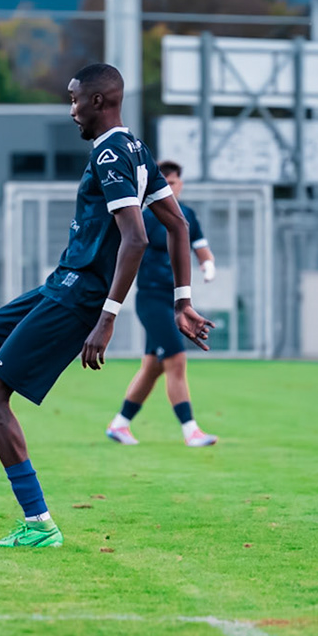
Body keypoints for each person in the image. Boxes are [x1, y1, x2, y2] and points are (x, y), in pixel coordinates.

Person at [0, 63, 212, 547]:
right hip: (60, 284)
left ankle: (39, 524)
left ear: (97, 101)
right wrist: (183, 301)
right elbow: (178, 225)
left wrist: (108, 317)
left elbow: (136, 238)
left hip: (78, 296)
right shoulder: (135, 148)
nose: (71, 110)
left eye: (74, 99)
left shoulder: (112, 153)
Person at [106, 160, 218, 447]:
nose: (170, 187)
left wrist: (208, 266)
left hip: (175, 301)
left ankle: (120, 424)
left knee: (154, 366)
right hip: (152, 299)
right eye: (164, 183)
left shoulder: (187, 215)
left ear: (181, 184)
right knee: (176, 359)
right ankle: (191, 430)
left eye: (174, 182)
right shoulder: (145, 217)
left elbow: (201, 248)